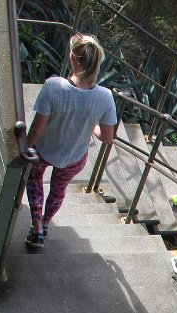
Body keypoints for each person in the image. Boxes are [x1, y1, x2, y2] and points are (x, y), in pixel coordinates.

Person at [24, 34, 117, 250]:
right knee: (59, 189)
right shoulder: (105, 97)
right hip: (74, 157)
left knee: (34, 178)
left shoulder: (53, 86)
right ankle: (46, 224)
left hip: (44, 149)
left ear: (73, 59)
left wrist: (23, 147)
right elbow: (107, 137)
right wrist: (91, 123)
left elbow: (38, 128)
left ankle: (36, 226)